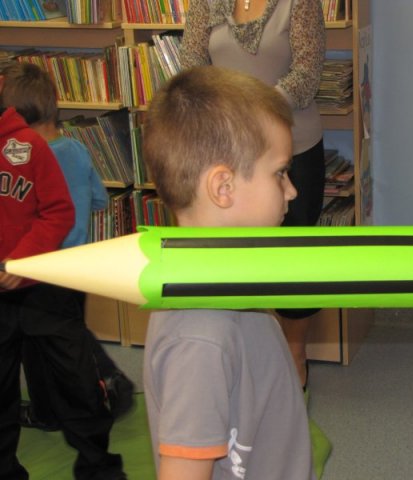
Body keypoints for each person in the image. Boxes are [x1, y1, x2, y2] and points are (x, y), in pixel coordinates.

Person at [141, 65, 313, 479]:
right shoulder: (199, 340)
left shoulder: (231, 283)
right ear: (223, 188)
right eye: (280, 173)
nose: (292, 190)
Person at [179, 0, 327, 388]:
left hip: (291, 150)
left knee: (295, 260)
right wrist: (228, 120)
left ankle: (295, 355)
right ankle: (242, 351)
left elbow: (306, 75)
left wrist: (249, 115)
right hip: (225, 153)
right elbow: (192, 67)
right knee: (233, 258)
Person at [0, 71, 125, 478]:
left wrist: (21, 259)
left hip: (45, 283)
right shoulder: (58, 147)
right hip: (17, 291)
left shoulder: (28, 147)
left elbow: (58, 212)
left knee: (73, 377)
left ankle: (97, 465)